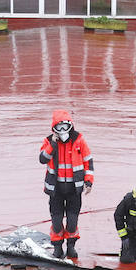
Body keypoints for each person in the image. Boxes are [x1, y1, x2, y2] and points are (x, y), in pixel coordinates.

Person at [39, 109, 94, 260]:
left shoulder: (79, 140)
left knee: (72, 222)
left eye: (65, 126)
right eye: (59, 127)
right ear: (54, 129)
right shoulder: (48, 141)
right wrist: (53, 145)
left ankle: (71, 246)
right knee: (56, 222)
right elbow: (42, 158)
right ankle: (58, 248)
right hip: (56, 190)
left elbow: (88, 161)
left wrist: (88, 181)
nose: (63, 130)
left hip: (73, 190)